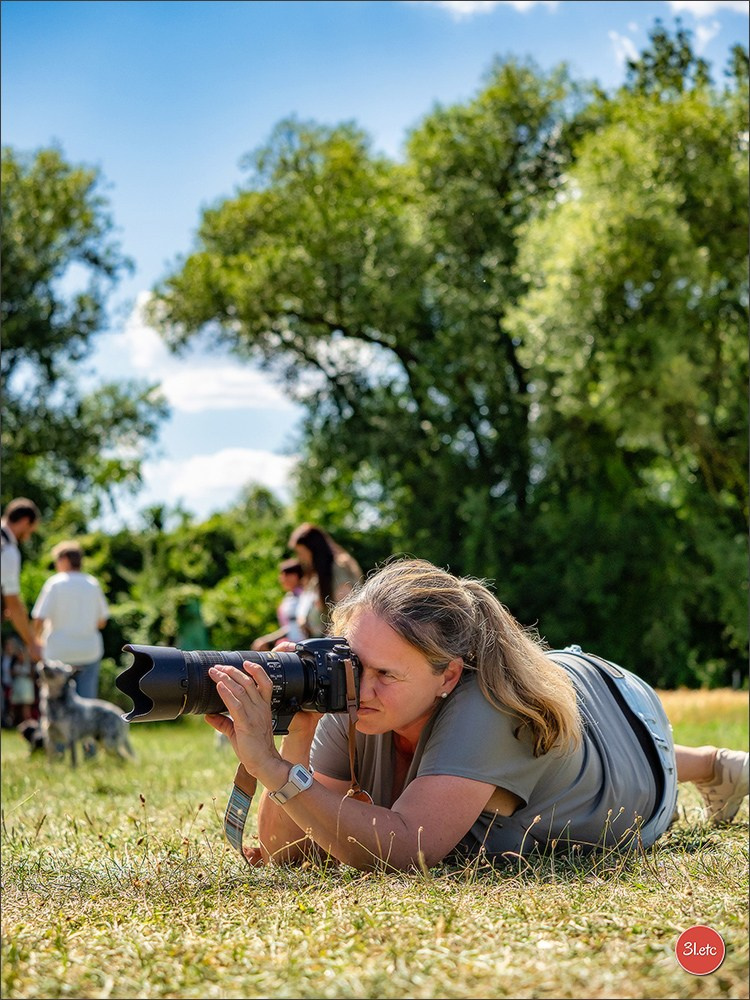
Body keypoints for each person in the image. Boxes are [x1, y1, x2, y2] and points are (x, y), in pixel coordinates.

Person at [205, 557, 750, 873]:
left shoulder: (490, 708)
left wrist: (270, 769)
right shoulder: (354, 686)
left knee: (546, 745)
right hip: (563, 722)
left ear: (448, 675)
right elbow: (288, 851)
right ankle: (717, 766)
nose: (359, 687)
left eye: (386, 674)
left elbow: (408, 846)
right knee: (530, 758)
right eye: (355, 661)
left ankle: (707, 764)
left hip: (623, 723)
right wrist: (298, 729)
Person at [31, 540, 109, 699]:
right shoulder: (92, 583)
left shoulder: (55, 583)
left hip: (58, 653)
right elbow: (102, 622)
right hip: (88, 652)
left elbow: (39, 618)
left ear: (65, 560)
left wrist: (35, 642)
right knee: (86, 703)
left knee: (55, 702)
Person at [288, 523, 362, 639]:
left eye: (301, 553)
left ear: (314, 550)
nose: (300, 558)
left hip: (337, 641)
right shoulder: (318, 576)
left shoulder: (337, 568)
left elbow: (346, 610)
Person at [1, 498, 42, 664]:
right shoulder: (7, 550)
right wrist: (32, 643)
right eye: (31, 530)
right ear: (25, 522)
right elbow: (14, 605)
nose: (28, 536)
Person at [251, 559, 307, 652]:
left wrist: (269, 639)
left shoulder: (305, 596)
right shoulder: (289, 598)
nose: (281, 579)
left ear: (295, 576)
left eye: (286, 575)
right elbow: (289, 627)